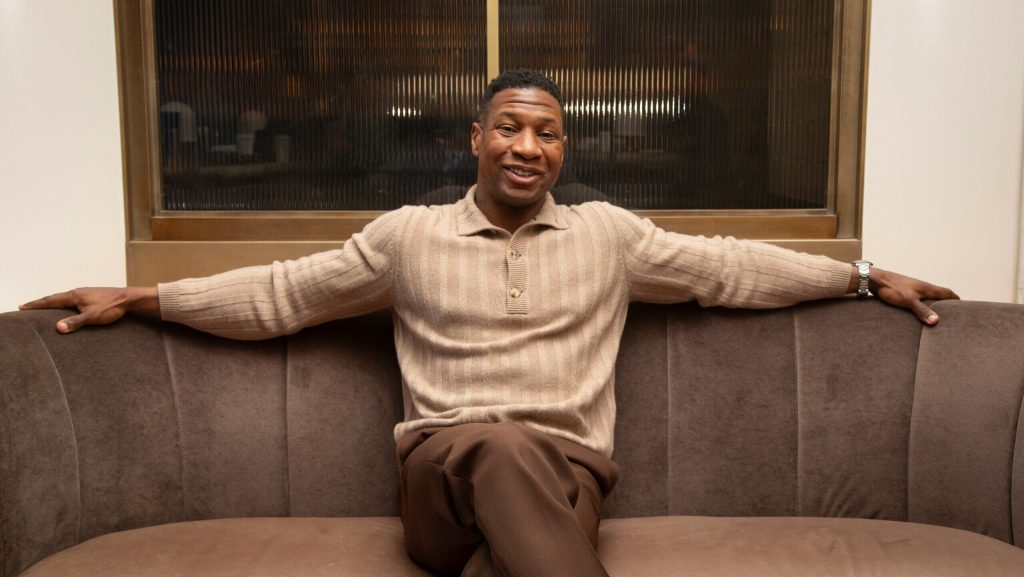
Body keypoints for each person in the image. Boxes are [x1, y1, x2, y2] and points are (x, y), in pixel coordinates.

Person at [21, 69, 957, 577]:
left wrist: (861, 276)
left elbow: (729, 266)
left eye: (547, 132)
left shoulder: (609, 237)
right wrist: (142, 297)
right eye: (510, 126)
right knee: (499, 442)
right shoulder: (408, 237)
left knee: (515, 519)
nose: (527, 146)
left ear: (563, 149)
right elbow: (283, 294)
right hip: (438, 481)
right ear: (476, 138)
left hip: (571, 478)